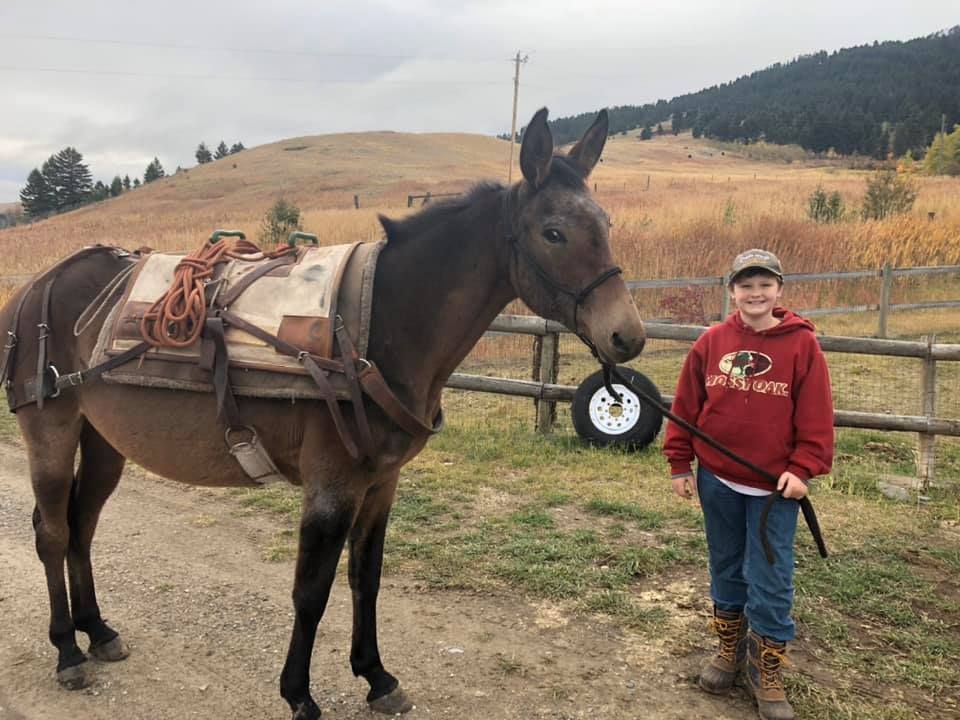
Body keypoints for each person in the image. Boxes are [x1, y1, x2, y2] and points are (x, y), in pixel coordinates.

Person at [663, 248, 834, 720]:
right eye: (745, 285)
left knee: (771, 578)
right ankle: (729, 651)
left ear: (778, 290)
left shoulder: (802, 346)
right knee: (726, 564)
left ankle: (768, 672)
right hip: (718, 480)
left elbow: (816, 415)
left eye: (764, 284)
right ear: (732, 290)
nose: (754, 293)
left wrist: (802, 468)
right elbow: (685, 407)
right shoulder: (712, 342)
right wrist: (681, 463)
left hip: (773, 489)